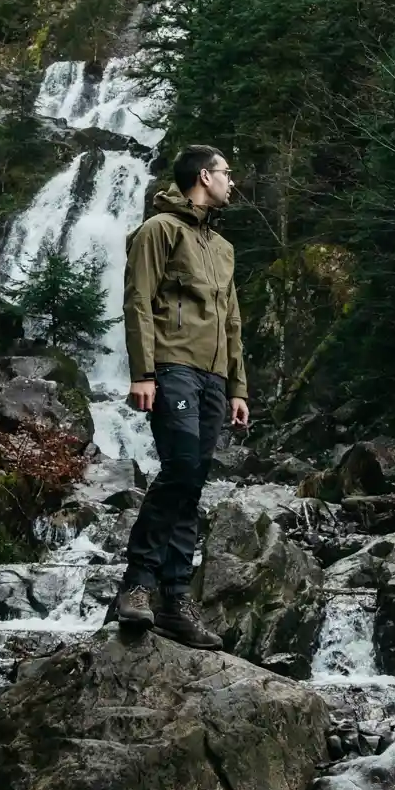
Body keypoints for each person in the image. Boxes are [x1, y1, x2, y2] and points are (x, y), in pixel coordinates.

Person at [116, 143, 250, 647]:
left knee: (192, 482)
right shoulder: (159, 230)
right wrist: (143, 373)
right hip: (172, 367)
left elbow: (232, 321)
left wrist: (237, 387)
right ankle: (137, 584)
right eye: (226, 173)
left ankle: (174, 600)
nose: (232, 182)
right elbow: (138, 299)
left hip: (213, 378)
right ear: (203, 177)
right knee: (180, 468)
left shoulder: (222, 248)